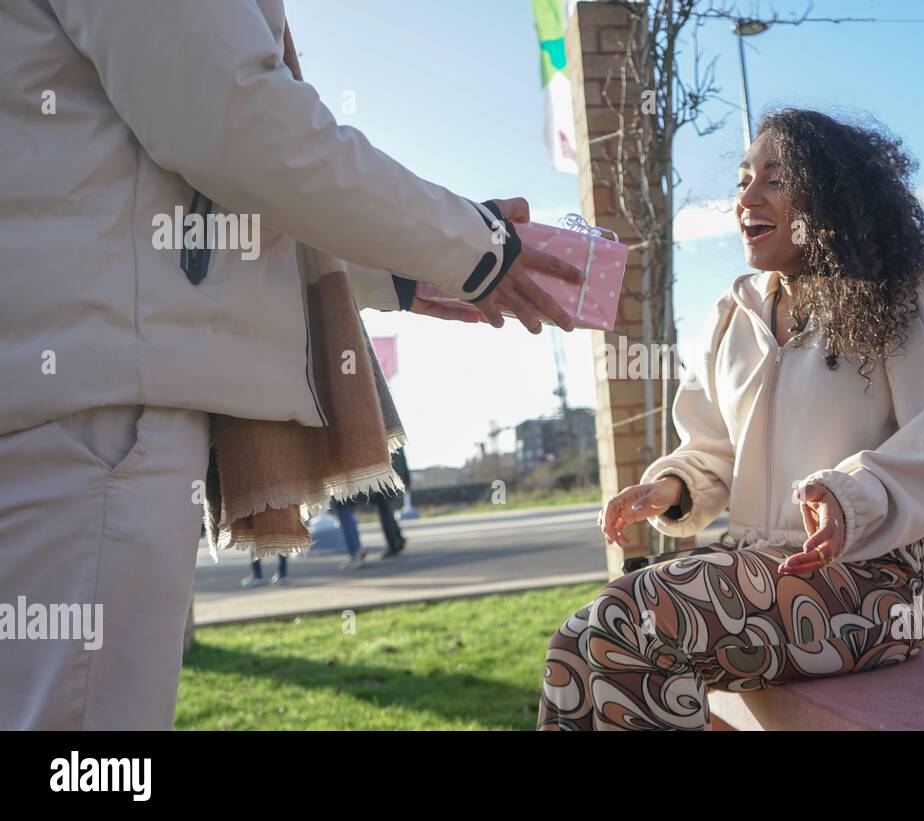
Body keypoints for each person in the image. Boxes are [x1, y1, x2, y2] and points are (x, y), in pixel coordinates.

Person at [0, 1, 583, 730]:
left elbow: (208, 184)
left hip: (68, 384)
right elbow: (237, 123)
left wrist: (411, 265)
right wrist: (471, 245)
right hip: (101, 401)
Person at [538, 109, 924, 731]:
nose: (746, 196)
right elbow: (714, 449)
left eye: (774, 178)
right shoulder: (734, 313)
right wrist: (670, 486)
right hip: (758, 571)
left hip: (870, 588)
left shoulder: (898, 298)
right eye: (744, 179)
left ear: (828, 194)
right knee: (590, 637)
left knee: (620, 622)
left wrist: (847, 496)